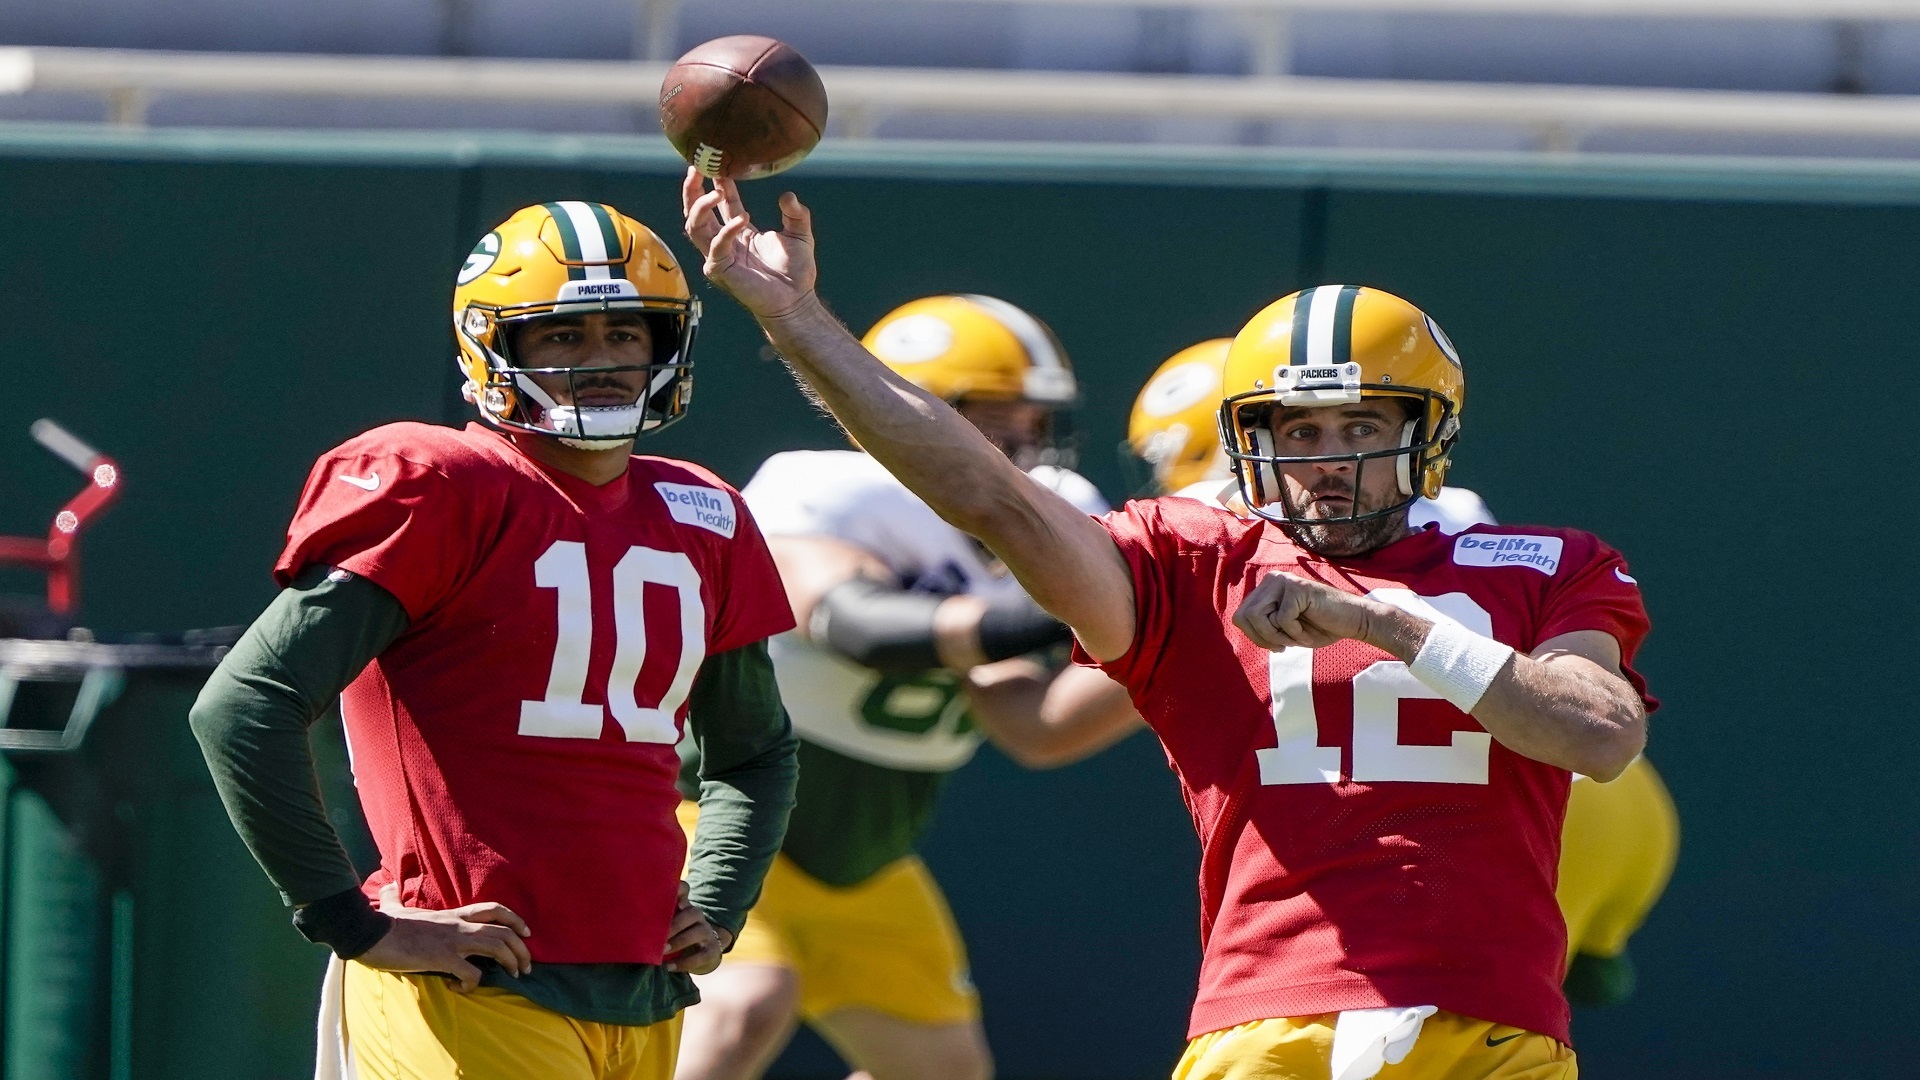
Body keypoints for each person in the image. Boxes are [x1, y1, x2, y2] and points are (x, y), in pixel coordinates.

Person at [681, 172, 1657, 1079]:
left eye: (1361, 426)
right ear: (1249, 443)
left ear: (1428, 429)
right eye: (1295, 431)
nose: (1327, 460)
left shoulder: (1546, 563)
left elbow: (1599, 735)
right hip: (1268, 1022)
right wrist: (795, 317)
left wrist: (1391, 627)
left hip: (1491, 1025)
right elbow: (987, 491)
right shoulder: (1193, 562)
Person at [190, 201, 800, 1080]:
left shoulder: (702, 510)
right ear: (495, 349)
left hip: (642, 988)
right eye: (562, 338)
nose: (602, 365)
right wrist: (351, 920)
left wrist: (720, 899)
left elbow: (755, 751)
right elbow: (244, 706)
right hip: (471, 981)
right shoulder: (444, 484)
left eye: (625, 335)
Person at [1129, 338, 1681, 1010]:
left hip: (1481, 804)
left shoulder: (1234, 537)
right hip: (1618, 801)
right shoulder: (1459, 519)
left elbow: (1047, 727)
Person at [674, 294, 1134, 1080]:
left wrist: (1182, 636)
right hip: (719, 818)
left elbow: (1034, 726)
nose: (1025, 439)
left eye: (1033, 417)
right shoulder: (827, 489)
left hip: (873, 860)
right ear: (905, 410)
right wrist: (1054, 613)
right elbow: (859, 626)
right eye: (998, 415)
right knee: (746, 1006)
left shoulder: (1046, 519)